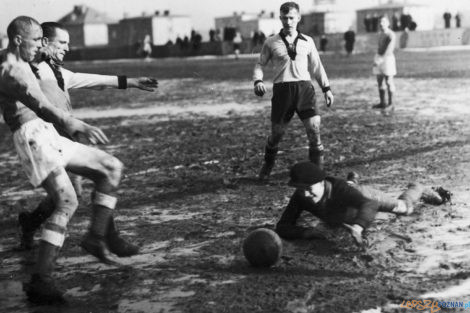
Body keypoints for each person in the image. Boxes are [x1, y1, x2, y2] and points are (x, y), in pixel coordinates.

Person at [0, 16, 153, 304]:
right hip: (33, 137)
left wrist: (128, 81)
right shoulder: (12, 70)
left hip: (48, 135)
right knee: (68, 201)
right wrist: (72, 123)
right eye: (37, 41)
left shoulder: (29, 60)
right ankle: (41, 280)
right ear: (20, 40)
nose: (41, 46)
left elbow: (74, 78)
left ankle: (96, 237)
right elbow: (40, 104)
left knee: (111, 168)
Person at [275, 162, 451, 245]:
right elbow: (282, 226)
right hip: (344, 202)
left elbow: (370, 205)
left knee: (406, 209)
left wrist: (358, 227)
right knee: (338, 213)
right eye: (300, 189)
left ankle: (416, 187)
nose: (305, 194)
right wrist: (307, 232)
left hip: (366, 197)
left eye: (309, 188)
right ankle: (352, 180)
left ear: (321, 183)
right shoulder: (301, 196)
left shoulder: (339, 191)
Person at [253, 1, 334, 179]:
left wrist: (326, 89)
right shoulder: (271, 42)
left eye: (291, 18)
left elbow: (317, 67)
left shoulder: (308, 41)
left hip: (305, 89)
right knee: (277, 135)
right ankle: (267, 165)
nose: (288, 22)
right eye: (284, 18)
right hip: (283, 91)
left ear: (298, 18)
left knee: (314, 130)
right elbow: (260, 64)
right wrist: (257, 80)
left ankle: (317, 174)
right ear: (280, 18)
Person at [372, 16, 396, 114]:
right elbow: (379, 47)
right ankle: (383, 102)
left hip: (387, 59)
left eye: (383, 21)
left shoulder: (391, 34)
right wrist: (377, 57)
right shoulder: (380, 34)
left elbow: (389, 48)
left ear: (388, 23)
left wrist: (380, 59)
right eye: (380, 22)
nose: (381, 23)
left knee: (389, 81)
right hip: (379, 57)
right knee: (379, 80)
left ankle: (391, 104)